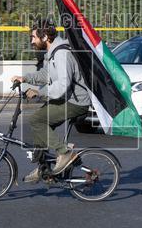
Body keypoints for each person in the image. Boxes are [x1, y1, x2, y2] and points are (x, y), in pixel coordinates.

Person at [11, 19, 91, 184]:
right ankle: (44, 168)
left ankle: (65, 153)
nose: (32, 41)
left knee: (37, 120)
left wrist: (39, 94)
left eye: (33, 37)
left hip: (77, 101)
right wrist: (24, 78)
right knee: (40, 122)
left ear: (45, 36)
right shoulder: (52, 52)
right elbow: (45, 75)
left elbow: (63, 85)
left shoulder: (62, 54)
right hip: (67, 98)